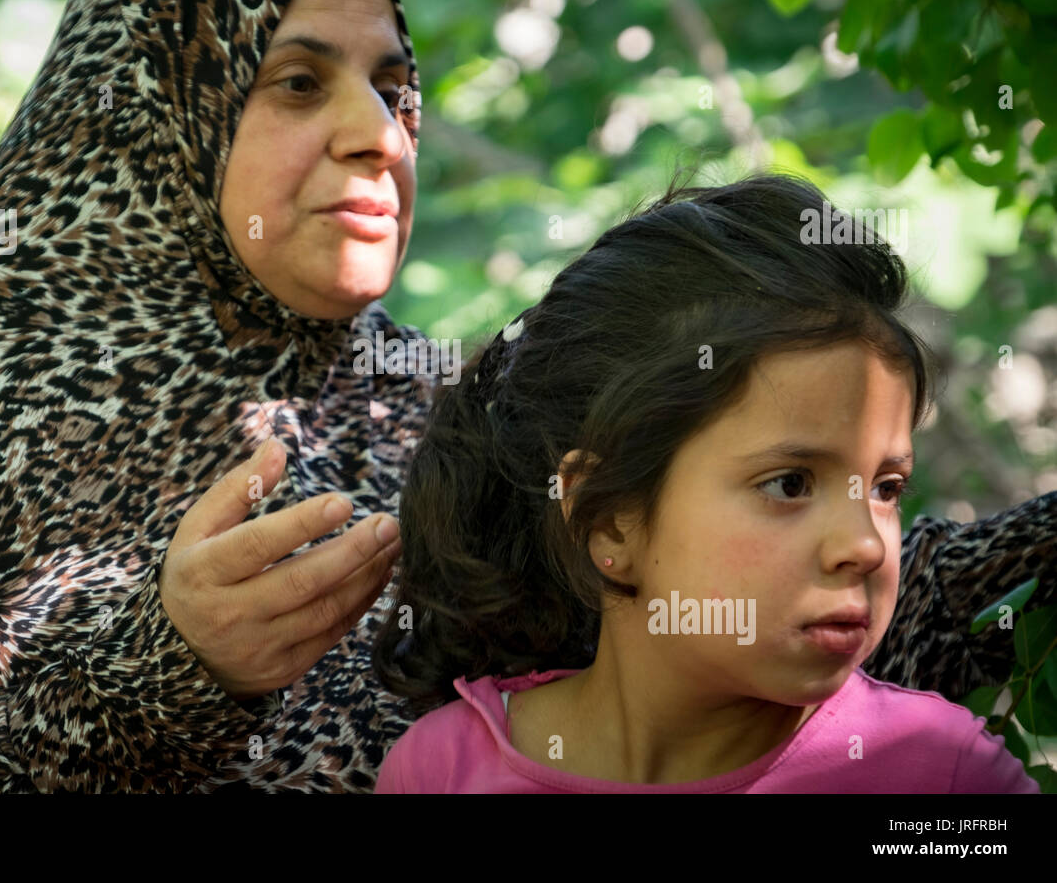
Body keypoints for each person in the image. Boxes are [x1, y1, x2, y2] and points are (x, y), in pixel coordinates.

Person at [0, 0, 1051, 793]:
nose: (380, 134)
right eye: (299, 83)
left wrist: (1019, 564)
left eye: (393, 87)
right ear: (150, 115)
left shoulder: (437, 406)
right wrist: (162, 668)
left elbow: (718, 621)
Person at [371, 175, 1043, 793]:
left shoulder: (942, 772)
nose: (866, 546)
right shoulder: (440, 772)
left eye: (886, 488)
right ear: (606, 520)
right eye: (789, 484)